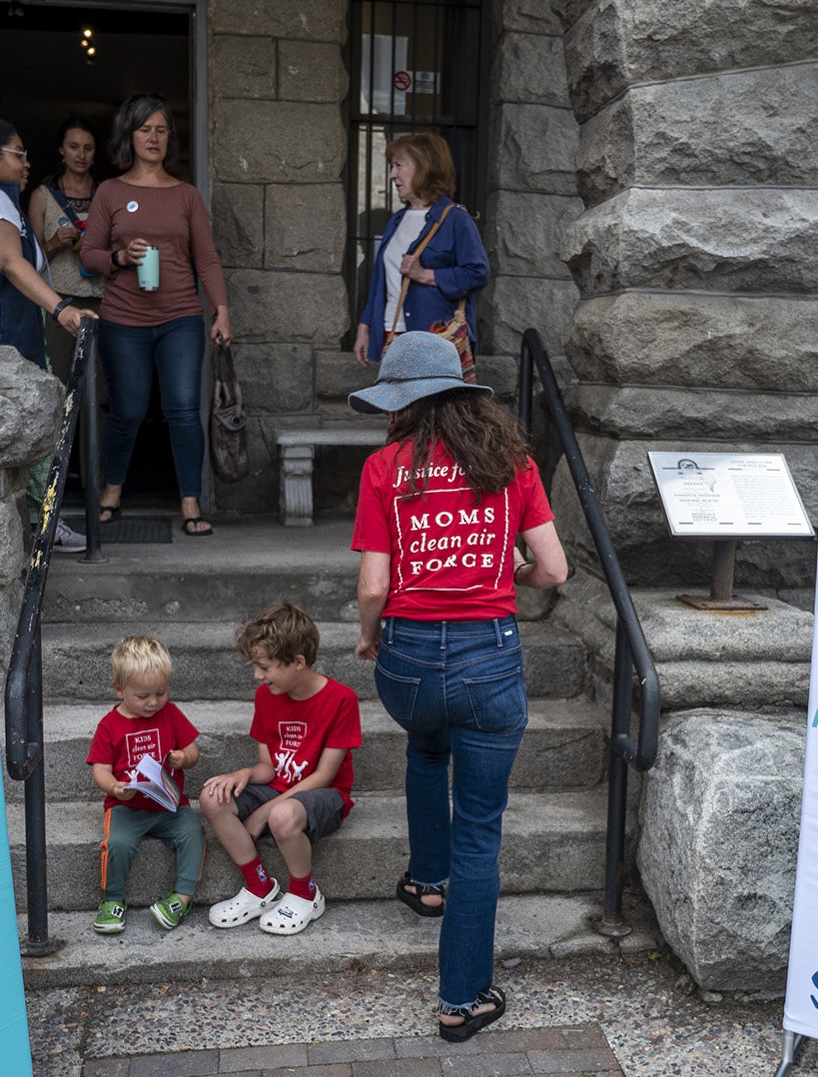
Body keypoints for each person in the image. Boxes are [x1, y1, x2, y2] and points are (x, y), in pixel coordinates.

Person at [348, 331, 569, 1043]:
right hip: (489, 660)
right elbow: (555, 571)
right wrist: (509, 578)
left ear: (400, 405)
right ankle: (462, 998)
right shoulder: (513, 465)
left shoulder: (384, 467)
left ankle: (425, 882)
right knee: (481, 832)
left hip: (408, 660)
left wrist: (368, 637)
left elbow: (375, 584)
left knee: (425, 746)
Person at [79, 95, 233, 537]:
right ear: (129, 135)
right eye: (145, 129)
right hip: (123, 319)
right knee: (126, 409)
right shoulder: (110, 191)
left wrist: (221, 312)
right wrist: (120, 256)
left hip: (181, 316)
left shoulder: (186, 195)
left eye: (162, 130)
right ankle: (112, 491)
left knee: (183, 409)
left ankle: (190, 501)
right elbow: (89, 255)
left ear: (170, 138)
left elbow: (207, 259)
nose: (154, 138)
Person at [0, 113, 91, 552]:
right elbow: (10, 264)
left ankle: (40, 524)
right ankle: (43, 524)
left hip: (11, 335)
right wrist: (62, 308)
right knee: (31, 436)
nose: (27, 161)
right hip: (1, 339)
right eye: (18, 153)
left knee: (36, 434)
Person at [200, 603, 363, 936]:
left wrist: (262, 813)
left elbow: (323, 777)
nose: (257, 676)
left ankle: (305, 893)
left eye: (264, 667)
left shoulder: (341, 700)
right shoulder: (267, 696)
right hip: (279, 789)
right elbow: (269, 768)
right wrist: (242, 775)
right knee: (212, 797)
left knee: (281, 817)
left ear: (298, 662)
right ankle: (259, 886)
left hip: (323, 795)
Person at [84, 635, 204, 933]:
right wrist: (114, 787)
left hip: (168, 804)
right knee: (118, 844)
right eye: (143, 696)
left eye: (161, 692)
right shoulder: (109, 726)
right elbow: (100, 769)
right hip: (127, 806)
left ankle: (182, 897)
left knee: (194, 831)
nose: (153, 702)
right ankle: (113, 900)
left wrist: (183, 758)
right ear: (119, 689)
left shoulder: (171, 713)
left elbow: (193, 751)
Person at [352, 134, 489, 382]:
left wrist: (425, 275)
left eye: (399, 166)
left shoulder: (456, 219)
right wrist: (364, 328)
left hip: (435, 336)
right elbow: (380, 281)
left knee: (432, 415)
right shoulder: (396, 220)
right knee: (399, 413)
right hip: (391, 333)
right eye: (392, 167)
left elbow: (478, 273)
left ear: (424, 165)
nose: (392, 175)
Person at [34, 115, 104, 388]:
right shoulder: (43, 195)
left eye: (88, 148)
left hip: (101, 300)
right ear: (61, 150)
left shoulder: (106, 194)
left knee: (100, 390)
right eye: (74, 146)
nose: (81, 154)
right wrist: (53, 243)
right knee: (60, 384)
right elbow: (31, 261)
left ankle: (94, 434)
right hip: (58, 301)